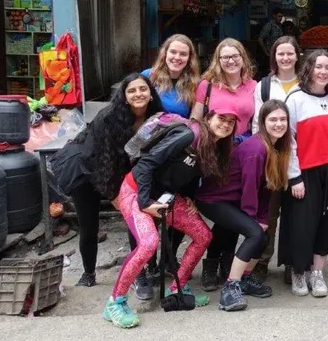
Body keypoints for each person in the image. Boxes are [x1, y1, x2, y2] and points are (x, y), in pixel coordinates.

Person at [104, 103, 238, 329]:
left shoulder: (213, 146)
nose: (225, 124)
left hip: (166, 197)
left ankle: (179, 287)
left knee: (203, 235)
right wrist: (145, 203)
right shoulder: (188, 135)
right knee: (148, 243)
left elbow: (187, 175)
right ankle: (115, 303)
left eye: (231, 122)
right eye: (221, 118)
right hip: (136, 191)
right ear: (209, 117)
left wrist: (189, 198)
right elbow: (147, 163)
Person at [53, 73, 162, 299]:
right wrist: (115, 196)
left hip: (125, 171)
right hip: (87, 169)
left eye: (143, 89)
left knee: (139, 217)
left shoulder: (156, 117)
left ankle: (142, 271)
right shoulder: (108, 118)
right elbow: (100, 162)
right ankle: (88, 273)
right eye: (131, 91)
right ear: (123, 97)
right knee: (88, 224)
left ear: (151, 94)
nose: (138, 94)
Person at [196, 100, 292, 311]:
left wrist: (264, 218)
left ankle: (245, 278)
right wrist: (253, 218)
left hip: (232, 199)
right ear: (262, 122)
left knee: (263, 236)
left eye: (283, 119)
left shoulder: (277, 147)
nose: (279, 124)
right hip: (213, 199)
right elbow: (250, 187)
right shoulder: (256, 148)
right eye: (273, 119)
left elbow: (268, 187)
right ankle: (230, 288)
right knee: (255, 234)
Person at [279, 50, 328, 298]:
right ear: (309, 68)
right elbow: (287, 141)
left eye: (327, 67)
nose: (323, 72)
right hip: (306, 172)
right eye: (318, 66)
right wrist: (294, 177)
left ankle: (317, 272)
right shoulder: (295, 99)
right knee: (302, 223)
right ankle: (299, 271)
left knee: (327, 224)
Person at [190, 38, 258, 289]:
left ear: (243, 58)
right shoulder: (206, 87)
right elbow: (195, 121)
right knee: (223, 210)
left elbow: (257, 123)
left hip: (242, 157)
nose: (230, 61)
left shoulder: (254, 86)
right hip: (214, 158)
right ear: (217, 60)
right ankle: (212, 263)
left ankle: (224, 263)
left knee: (234, 210)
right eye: (224, 57)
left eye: (235, 56)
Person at [251, 36, 301, 283]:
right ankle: (261, 262)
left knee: (295, 213)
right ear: (274, 57)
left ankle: (292, 261)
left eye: (290, 53)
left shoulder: (306, 83)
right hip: (270, 159)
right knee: (268, 214)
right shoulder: (264, 86)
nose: (285, 58)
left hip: (299, 158)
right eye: (280, 53)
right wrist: (261, 156)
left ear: (297, 56)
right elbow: (256, 124)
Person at [142, 34, 200, 118]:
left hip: (178, 129)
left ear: (189, 58)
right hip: (148, 129)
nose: (177, 57)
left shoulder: (195, 84)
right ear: (165, 53)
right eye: (173, 52)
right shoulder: (148, 76)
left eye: (183, 54)